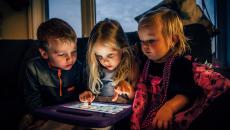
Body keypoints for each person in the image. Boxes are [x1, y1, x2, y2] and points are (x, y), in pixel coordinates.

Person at [130, 8, 203, 130]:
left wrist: (168, 108)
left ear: (172, 40)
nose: (145, 47)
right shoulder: (144, 62)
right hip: (145, 114)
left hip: (168, 116)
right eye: (142, 41)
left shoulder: (180, 64)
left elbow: (186, 94)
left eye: (151, 40)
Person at [19, 18, 85, 130]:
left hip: (69, 112)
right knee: (27, 120)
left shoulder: (78, 67)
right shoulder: (33, 68)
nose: (70, 58)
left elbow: (81, 92)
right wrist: (41, 117)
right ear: (44, 53)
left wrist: (85, 94)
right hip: (43, 111)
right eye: (61, 54)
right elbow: (33, 100)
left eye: (74, 52)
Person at [78, 18, 140, 130]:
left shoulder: (131, 66)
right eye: (99, 56)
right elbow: (89, 90)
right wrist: (87, 94)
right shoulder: (94, 67)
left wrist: (128, 89)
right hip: (97, 110)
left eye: (110, 55)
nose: (105, 61)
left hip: (120, 112)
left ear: (122, 48)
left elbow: (137, 98)